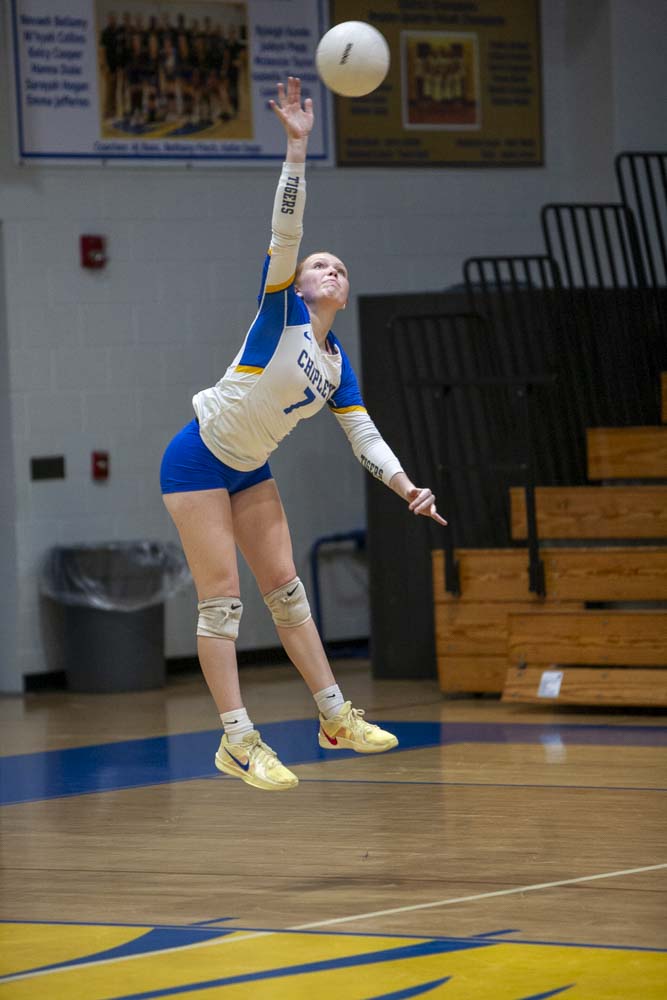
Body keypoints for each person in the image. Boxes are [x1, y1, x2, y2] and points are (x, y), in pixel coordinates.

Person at [160, 78, 446, 792]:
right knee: (222, 602)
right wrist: (296, 148)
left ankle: (335, 717)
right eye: (321, 263)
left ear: (344, 294)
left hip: (249, 468)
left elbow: (364, 436)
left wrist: (406, 487)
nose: (329, 269)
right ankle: (237, 741)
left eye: (339, 268)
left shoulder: (337, 363)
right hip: (197, 457)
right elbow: (286, 230)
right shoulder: (279, 310)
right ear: (300, 280)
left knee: (287, 594)